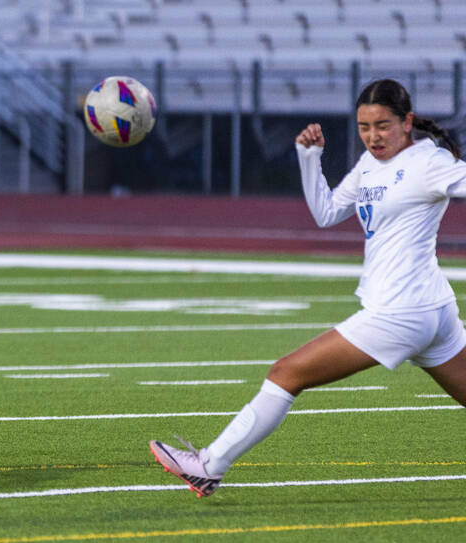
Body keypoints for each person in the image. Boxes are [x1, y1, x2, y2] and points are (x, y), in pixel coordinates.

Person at [149, 78, 466, 498]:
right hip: (430, 309)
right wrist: (309, 157)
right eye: (364, 126)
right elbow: (326, 212)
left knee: (285, 373)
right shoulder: (370, 164)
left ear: (407, 122)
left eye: (384, 125)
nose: (373, 136)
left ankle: (210, 464)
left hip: (402, 311)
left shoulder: (430, 162)